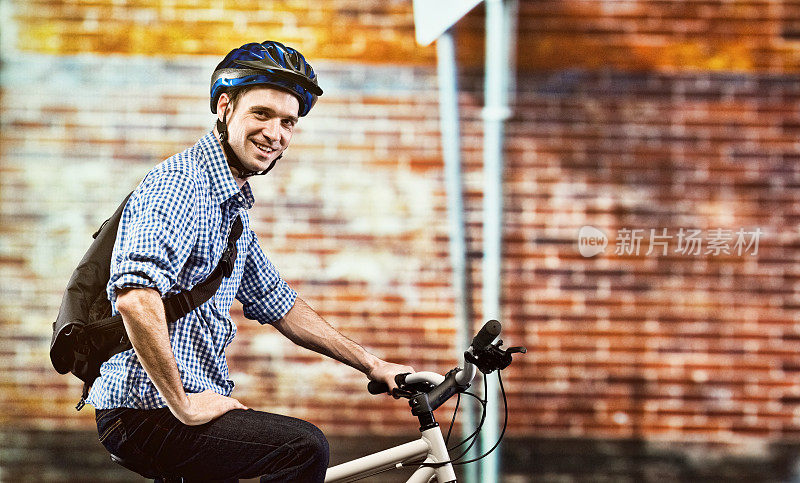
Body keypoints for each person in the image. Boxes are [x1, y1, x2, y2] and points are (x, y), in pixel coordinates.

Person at [89, 40, 415, 482]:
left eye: (288, 122)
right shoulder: (183, 185)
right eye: (261, 114)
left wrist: (374, 365)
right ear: (225, 107)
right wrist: (183, 403)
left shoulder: (229, 205)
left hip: (177, 406)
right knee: (301, 449)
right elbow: (134, 296)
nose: (275, 134)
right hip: (148, 410)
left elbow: (279, 302)